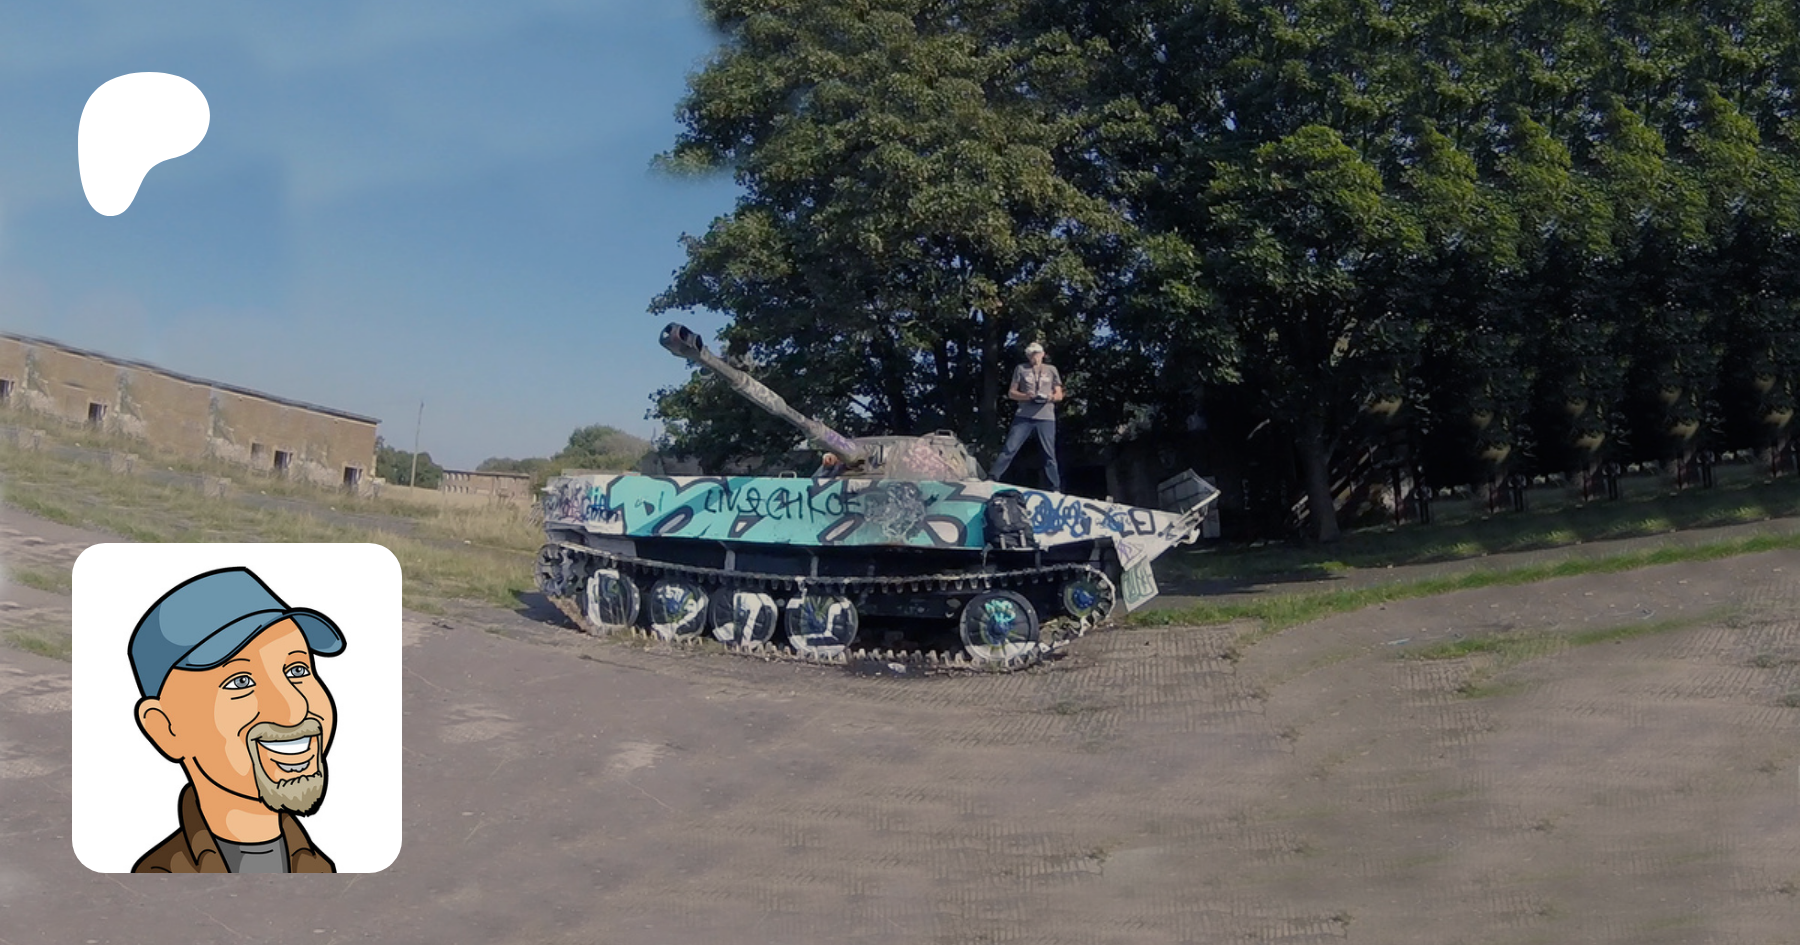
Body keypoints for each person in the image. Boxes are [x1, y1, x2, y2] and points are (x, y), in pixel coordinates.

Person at [129, 567, 346, 873]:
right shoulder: (159, 876)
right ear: (166, 729)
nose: (294, 709)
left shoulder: (319, 867)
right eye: (240, 681)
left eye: (297, 670)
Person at [988, 340, 1064, 492]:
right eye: (1030, 354)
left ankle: (1055, 487)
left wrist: (1050, 397)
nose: (1033, 356)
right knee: (1010, 448)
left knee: (1049, 453)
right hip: (1024, 415)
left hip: (1046, 417)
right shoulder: (1021, 369)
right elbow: (1011, 393)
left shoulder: (1051, 370)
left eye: (1036, 353)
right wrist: (1026, 396)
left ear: (1042, 354)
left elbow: (1059, 395)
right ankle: (992, 477)